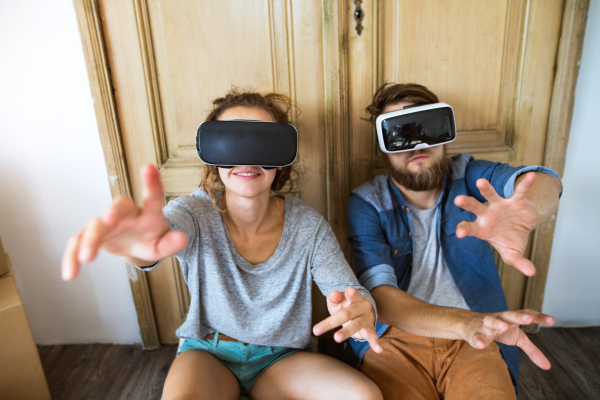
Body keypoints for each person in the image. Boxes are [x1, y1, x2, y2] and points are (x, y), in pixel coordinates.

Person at [61, 89, 383, 400]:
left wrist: (359, 311)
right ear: (214, 156)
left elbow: (349, 291)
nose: (247, 159)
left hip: (281, 358)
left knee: (364, 395)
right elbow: (157, 236)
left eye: (262, 144)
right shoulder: (194, 211)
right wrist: (140, 246)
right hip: (208, 353)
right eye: (232, 143)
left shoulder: (308, 226)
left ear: (281, 161)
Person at [346, 83, 563, 399]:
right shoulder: (368, 202)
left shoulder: (470, 175)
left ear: (445, 132)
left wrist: (526, 208)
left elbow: (546, 180)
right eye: (400, 134)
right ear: (383, 147)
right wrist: (465, 323)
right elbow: (382, 297)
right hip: (397, 339)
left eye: (427, 128)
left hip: (475, 339)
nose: (417, 145)